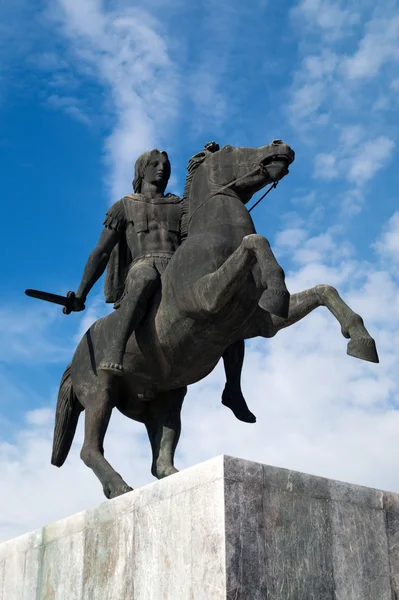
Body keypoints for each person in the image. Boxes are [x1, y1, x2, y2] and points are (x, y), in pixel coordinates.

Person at [72, 147, 256, 422]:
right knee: (144, 278)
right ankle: (115, 349)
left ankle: (233, 387)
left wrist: (205, 162)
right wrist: (81, 293)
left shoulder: (179, 205)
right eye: (155, 164)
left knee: (228, 305)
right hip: (144, 265)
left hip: (178, 269)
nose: (162, 169)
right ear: (141, 170)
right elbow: (100, 252)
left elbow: (209, 203)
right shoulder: (124, 206)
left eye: (166, 165)